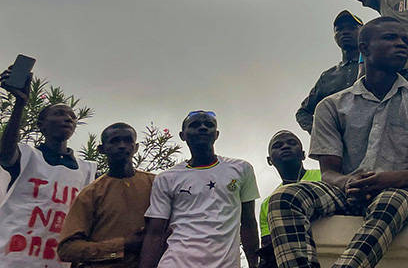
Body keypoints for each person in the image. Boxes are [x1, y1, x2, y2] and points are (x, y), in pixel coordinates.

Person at [266, 16, 408, 268]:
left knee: (391, 201)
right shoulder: (331, 105)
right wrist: (348, 182)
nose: (402, 44)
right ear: (364, 48)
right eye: (390, 38)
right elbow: (329, 172)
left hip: (399, 191)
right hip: (345, 192)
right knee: (283, 197)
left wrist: (382, 180)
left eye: (405, 39)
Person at [0, 66, 98, 267]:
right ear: (41, 124)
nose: (68, 118)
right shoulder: (26, 156)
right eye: (60, 113)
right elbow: (5, 154)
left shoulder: (87, 170)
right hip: (13, 259)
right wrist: (20, 102)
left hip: (57, 261)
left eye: (72, 116)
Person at [139, 111, 260, 268]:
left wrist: (254, 264)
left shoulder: (241, 169)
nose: (203, 128)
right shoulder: (166, 178)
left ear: (216, 134)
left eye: (209, 125)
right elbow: (155, 233)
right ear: (183, 135)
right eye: (195, 125)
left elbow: (248, 222)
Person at [58, 123, 154, 268]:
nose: (122, 146)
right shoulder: (91, 193)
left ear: (136, 147)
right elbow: (67, 249)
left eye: (128, 140)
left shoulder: (156, 184)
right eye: (115, 141)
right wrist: (122, 246)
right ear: (101, 149)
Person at [256, 131, 320, 268]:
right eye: (277, 145)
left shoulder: (324, 177)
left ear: (303, 155)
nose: (285, 147)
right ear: (269, 160)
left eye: (291, 143)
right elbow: (269, 246)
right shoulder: (268, 204)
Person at [295, 10, 363, 134]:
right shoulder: (328, 76)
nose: (345, 32)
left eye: (352, 28)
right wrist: (322, 133)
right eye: (339, 29)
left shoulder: (376, 66)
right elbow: (303, 113)